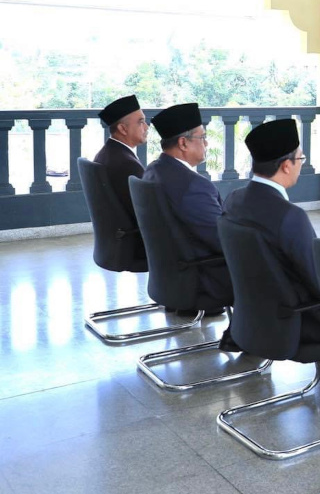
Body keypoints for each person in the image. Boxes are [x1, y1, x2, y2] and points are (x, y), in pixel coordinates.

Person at [221, 119, 320, 342]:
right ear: (286, 165)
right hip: (294, 321)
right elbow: (318, 282)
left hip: (251, 317)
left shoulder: (234, 199)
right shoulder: (290, 216)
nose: (301, 164)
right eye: (300, 158)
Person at [142, 103, 234, 331]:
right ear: (183, 143)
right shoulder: (194, 186)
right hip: (202, 277)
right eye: (202, 138)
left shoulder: (153, 171)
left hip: (170, 275)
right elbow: (222, 241)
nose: (206, 143)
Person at [93, 94, 148, 225]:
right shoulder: (127, 164)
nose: (146, 127)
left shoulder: (107, 153)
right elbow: (147, 212)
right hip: (135, 242)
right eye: (141, 122)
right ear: (123, 128)